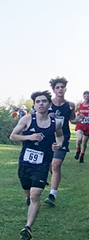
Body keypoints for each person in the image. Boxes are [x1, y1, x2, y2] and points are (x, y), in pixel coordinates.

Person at [10, 90, 64, 240]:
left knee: (36, 194)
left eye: (44, 101)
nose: (41, 104)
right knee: (28, 191)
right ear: (34, 105)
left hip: (42, 164)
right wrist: (29, 137)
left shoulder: (56, 123)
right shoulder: (27, 119)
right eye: (38, 102)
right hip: (25, 164)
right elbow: (13, 136)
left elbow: (60, 136)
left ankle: (28, 228)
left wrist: (58, 145)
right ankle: (29, 199)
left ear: (49, 104)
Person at [44, 77, 75, 207]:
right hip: (48, 138)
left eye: (62, 87)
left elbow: (72, 120)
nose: (60, 89)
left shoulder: (70, 105)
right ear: (54, 90)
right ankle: (52, 176)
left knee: (56, 164)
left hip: (62, 138)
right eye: (57, 87)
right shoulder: (48, 104)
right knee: (50, 164)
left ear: (65, 89)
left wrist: (77, 119)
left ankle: (52, 195)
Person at [74, 91, 89, 163]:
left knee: (84, 142)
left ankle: (82, 155)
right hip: (80, 125)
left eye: (88, 96)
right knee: (79, 139)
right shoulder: (79, 105)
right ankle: (78, 150)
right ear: (83, 97)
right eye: (85, 96)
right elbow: (73, 112)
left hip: (87, 126)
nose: (86, 98)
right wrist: (77, 117)